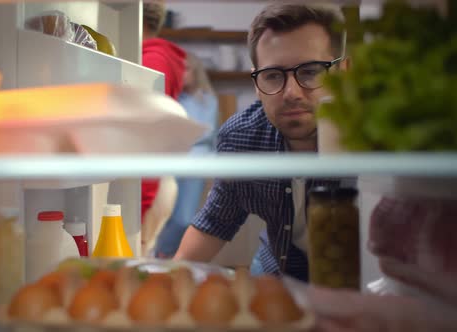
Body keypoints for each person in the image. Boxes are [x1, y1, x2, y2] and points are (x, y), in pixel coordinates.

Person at [174, 4, 354, 281]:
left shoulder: (370, 138)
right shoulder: (242, 139)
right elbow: (214, 223)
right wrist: (165, 282)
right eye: (273, 76)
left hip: (353, 278)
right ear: (257, 84)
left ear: (343, 71)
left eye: (310, 72)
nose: (291, 93)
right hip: (277, 268)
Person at [154, 53, 219, 258]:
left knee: (183, 219)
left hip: (195, 165)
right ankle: (161, 258)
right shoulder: (172, 98)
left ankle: (164, 254)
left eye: (187, 69)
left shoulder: (207, 101)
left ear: (196, 71)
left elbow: (205, 133)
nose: (182, 74)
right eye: (179, 69)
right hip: (169, 164)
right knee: (163, 216)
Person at [140, 1, 186, 221]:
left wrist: (141, 204)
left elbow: (150, 137)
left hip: (149, 185)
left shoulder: (152, 60)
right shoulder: (157, 57)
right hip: (154, 181)